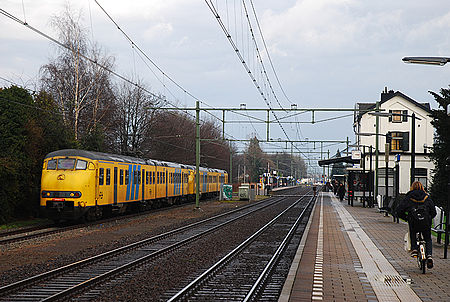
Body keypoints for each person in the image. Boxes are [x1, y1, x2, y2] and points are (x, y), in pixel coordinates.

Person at [396, 181, 437, 269]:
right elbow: (433, 211)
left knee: (413, 233)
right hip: (425, 222)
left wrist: (406, 218)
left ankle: (414, 249)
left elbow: (399, 210)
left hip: (413, 221)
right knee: (428, 238)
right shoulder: (427, 197)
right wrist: (429, 218)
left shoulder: (409, 197)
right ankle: (429, 255)